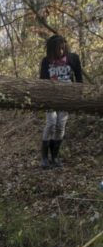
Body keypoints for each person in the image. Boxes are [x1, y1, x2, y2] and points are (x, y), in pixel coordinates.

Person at [39, 34, 83, 169]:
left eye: (63, 48)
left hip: (67, 98)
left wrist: (77, 97)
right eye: (58, 49)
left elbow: (79, 80)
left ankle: (55, 156)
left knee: (60, 125)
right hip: (51, 98)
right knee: (51, 122)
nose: (61, 51)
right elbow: (42, 82)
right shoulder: (46, 61)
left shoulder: (73, 58)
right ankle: (44, 157)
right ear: (52, 50)